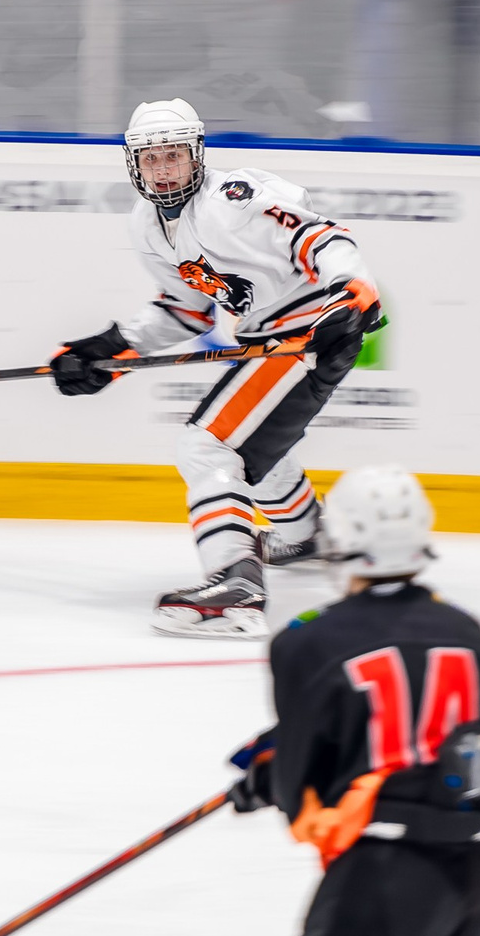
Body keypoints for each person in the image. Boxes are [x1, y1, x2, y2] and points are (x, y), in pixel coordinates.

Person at [226, 467, 480, 936]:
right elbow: (439, 746)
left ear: (337, 538)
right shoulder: (464, 629)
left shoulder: (305, 640)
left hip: (387, 884)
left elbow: (306, 804)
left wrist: (267, 776)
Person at [53, 97, 382, 638]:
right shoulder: (148, 225)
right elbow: (187, 311)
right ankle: (306, 535)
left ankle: (235, 578)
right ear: (134, 165)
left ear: (197, 155)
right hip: (269, 340)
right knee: (253, 450)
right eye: (152, 159)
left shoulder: (233, 199)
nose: (164, 169)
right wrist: (111, 350)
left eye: (174, 156)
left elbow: (322, 237)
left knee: (206, 446)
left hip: (309, 334)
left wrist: (351, 291)